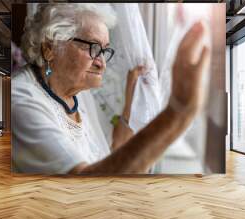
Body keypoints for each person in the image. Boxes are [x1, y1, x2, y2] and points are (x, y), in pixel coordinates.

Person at [11, 3, 211, 174]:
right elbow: (82, 186)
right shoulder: (21, 99)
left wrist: (131, 93)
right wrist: (178, 112)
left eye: (104, 50)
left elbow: (114, 149)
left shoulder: (79, 94)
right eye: (93, 47)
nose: (102, 63)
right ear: (50, 49)